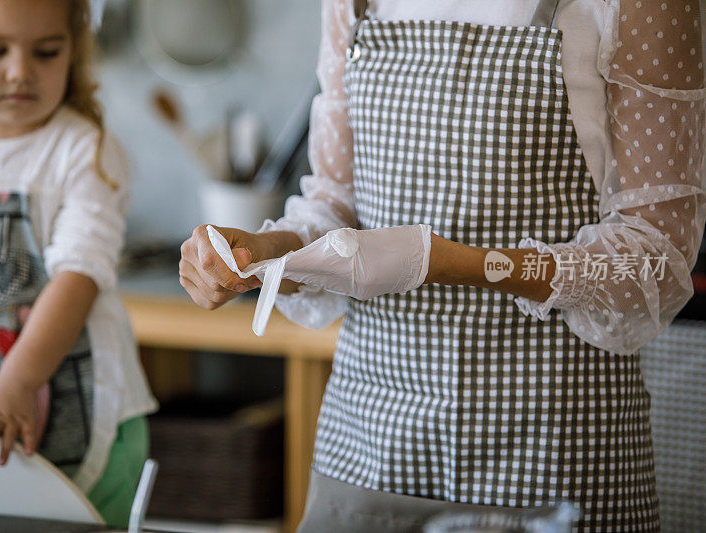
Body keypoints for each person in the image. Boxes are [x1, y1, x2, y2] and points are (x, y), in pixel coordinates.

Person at [181, 0, 706, 531]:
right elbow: (334, 207)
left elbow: (658, 258)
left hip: (553, 439)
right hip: (371, 436)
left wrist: (463, 264)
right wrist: (264, 256)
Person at [0, 0, 157, 526]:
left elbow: (79, 273)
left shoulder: (85, 150)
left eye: (46, 52)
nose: (20, 71)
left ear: (74, 49)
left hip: (87, 411)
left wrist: (19, 382)